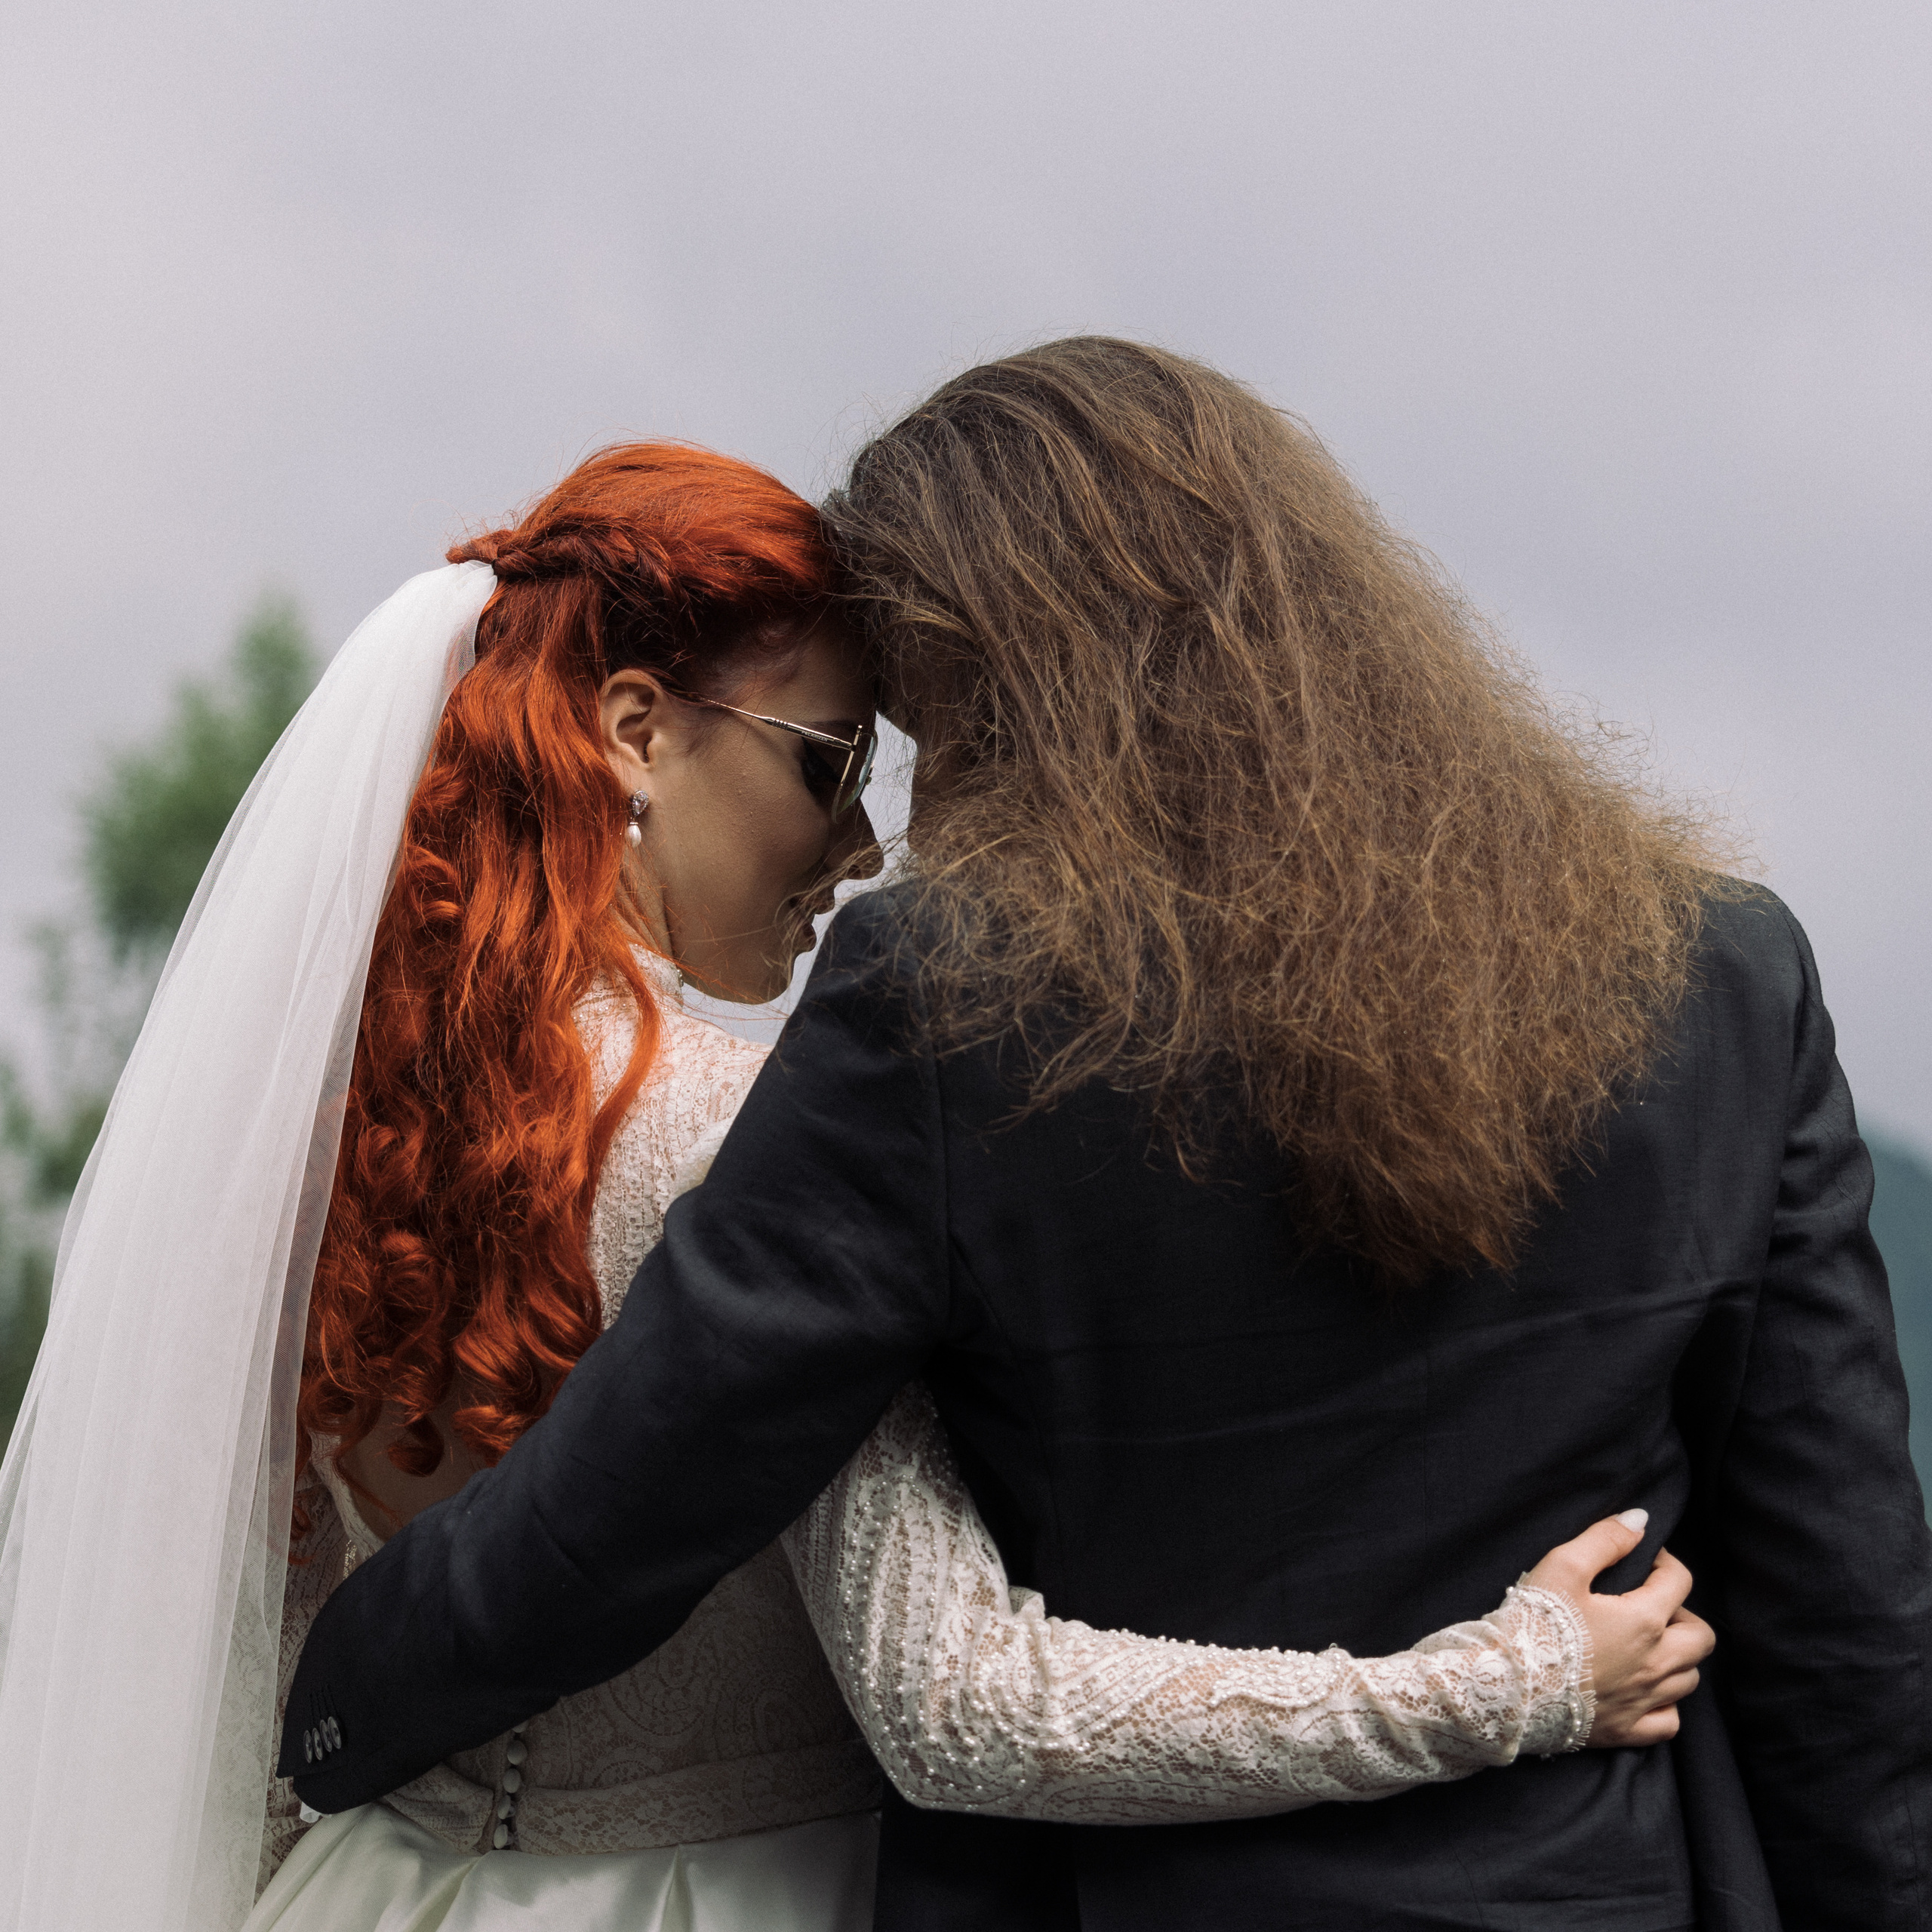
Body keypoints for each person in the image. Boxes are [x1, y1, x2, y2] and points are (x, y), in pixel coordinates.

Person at [286, 340, 1932, 1930]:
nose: (899, 827)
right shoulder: (1717, 975)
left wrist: (334, 1708)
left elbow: (632, 1496)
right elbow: (1841, 1607)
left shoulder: (940, 1011)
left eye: (924, 737)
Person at [0, 438, 1700, 1932]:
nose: (865, 848)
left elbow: (258, 1667)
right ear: (634, 733)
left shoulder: (337, 1128)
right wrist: (1497, 1682)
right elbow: (952, 1697)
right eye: (823, 764)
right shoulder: (742, 1139)